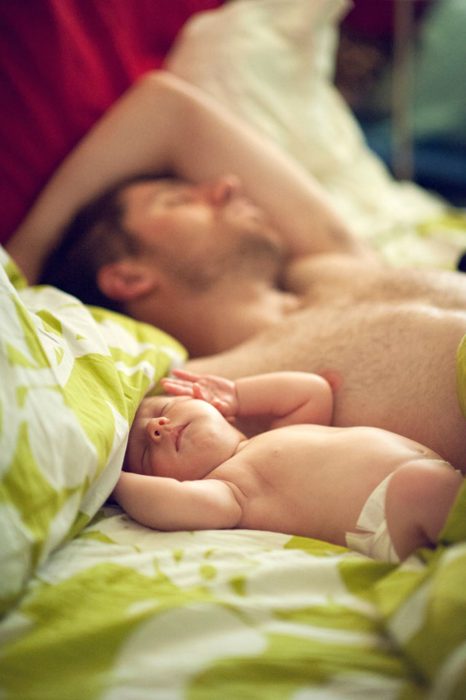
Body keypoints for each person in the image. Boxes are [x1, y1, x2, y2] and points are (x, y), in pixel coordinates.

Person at [6, 72, 466, 472]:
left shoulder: (329, 263)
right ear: (128, 277)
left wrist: (20, 258)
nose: (225, 185)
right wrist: (19, 284)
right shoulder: (198, 395)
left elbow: (167, 108)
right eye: (178, 199)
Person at [113, 368, 463, 563]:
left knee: (426, 485)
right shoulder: (231, 489)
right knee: (421, 486)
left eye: (163, 412)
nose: (156, 429)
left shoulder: (274, 434)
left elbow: (313, 391)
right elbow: (173, 502)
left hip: (435, 483)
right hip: (396, 515)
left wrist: (239, 394)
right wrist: (113, 479)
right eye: (145, 451)